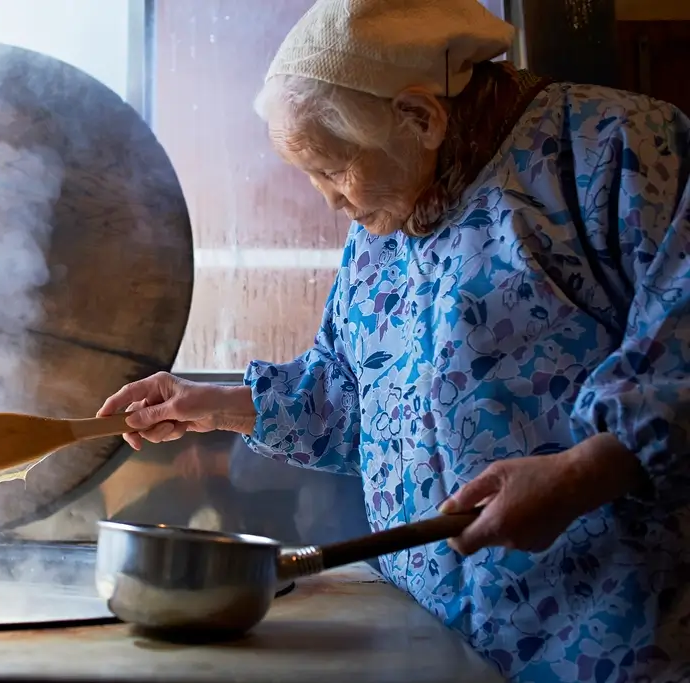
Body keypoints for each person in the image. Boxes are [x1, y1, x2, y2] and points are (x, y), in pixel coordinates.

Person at [98, 0, 690, 680]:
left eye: (334, 167)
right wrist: (207, 402)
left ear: (421, 117)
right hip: (426, 636)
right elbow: (348, 400)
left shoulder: (619, 148)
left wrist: (583, 474)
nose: (328, 201)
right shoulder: (383, 222)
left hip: (604, 634)